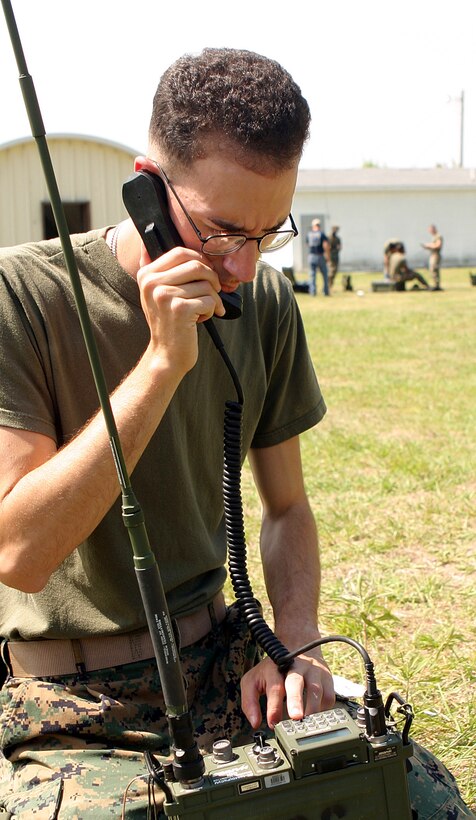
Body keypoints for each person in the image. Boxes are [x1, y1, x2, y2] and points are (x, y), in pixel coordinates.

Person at [0, 48, 472, 820]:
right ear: (146, 189)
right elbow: (20, 551)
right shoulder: (21, 293)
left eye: (267, 235)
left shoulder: (267, 302)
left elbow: (286, 507)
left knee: (417, 794)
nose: (243, 269)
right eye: (222, 233)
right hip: (70, 710)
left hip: (224, 664)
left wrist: (293, 643)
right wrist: (159, 365)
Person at [306, 218, 330, 296]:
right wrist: (327, 256)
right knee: (325, 274)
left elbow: (307, 244)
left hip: (311, 256)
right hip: (320, 256)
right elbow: (325, 245)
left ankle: (313, 292)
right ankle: (326, 291)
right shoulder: (321, 234)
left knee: (312, 275)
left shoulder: (309, 234)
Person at [421, 224, 444, 290]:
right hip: (433, 254)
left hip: (436, 255)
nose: (430, 231)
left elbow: (438, 245)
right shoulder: (434, 236)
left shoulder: (438, 236)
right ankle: (435, 284)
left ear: (433, 229)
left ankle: (437, 285)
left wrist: (429, 246)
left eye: (430, 230)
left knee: (434, 269)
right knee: (432, 270)